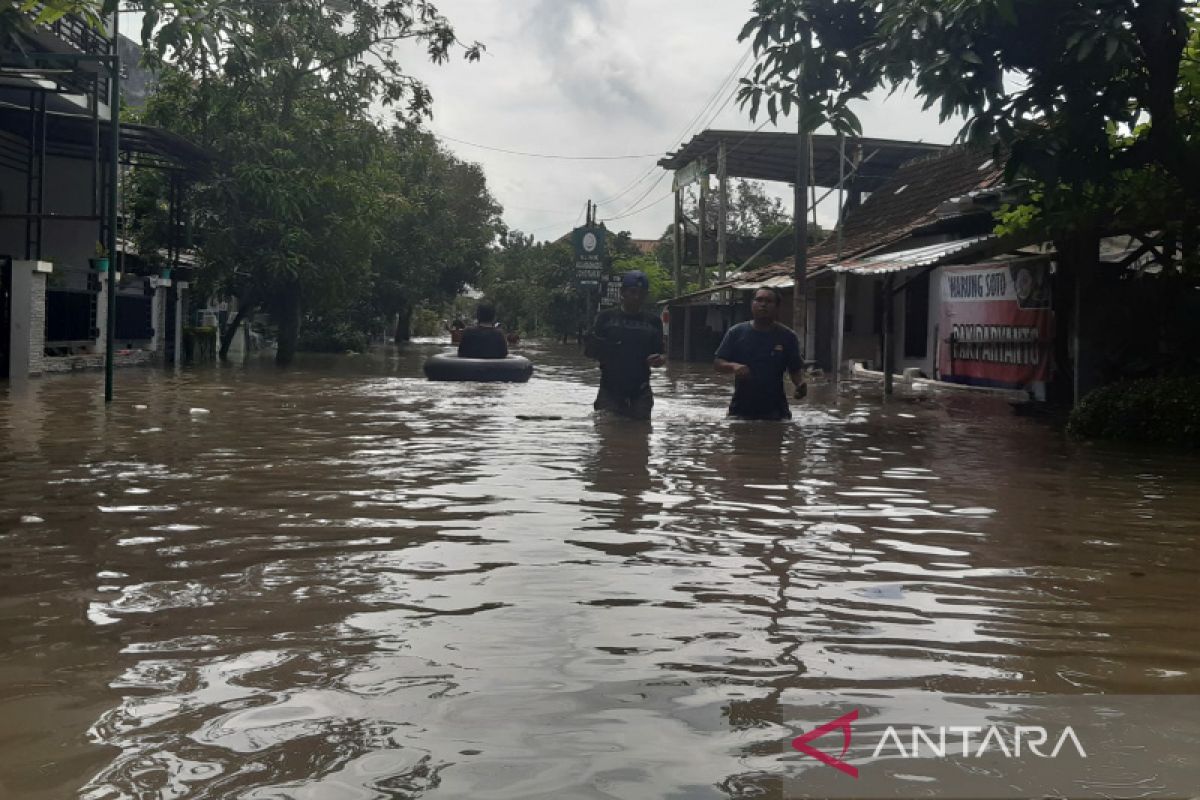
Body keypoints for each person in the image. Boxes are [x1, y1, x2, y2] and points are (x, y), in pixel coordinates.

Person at [714, 287, 806, 420]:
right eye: (759, 300)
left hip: (776, 412)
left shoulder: (787, 336)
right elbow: (718, 363)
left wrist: (800, 385)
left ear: (777, 307)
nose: (763, 304)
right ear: (752, 304)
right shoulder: (736, 333)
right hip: (741, 411)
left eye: (769, 301)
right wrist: (734, 367)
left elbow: (795, 370)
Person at [584, 270, 666, 420]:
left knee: (640, 437)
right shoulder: (605, 318)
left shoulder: (653, 322)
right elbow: (589, 352)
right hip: (610, 391)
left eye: (641, 294)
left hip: (640, 392)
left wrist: (659, 360)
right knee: (606, 434)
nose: (637, 297)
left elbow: (660, 354)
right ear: (623, 292)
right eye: (633, 292)